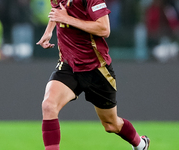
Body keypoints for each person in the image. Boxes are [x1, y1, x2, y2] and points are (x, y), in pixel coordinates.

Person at [36, 0, 150, 150]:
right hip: (69, 64)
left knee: (111, 124)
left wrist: (66, 19)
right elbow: (58, 9)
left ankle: (141, 144)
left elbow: (104, 29)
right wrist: (49, 30)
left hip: (96, 68)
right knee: (49, 106)